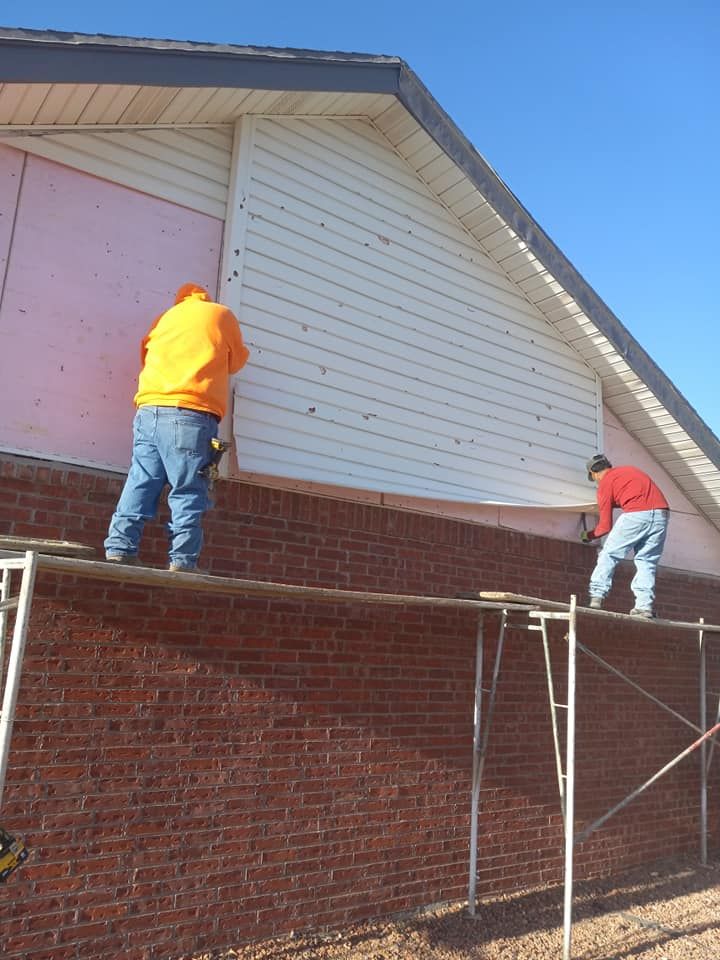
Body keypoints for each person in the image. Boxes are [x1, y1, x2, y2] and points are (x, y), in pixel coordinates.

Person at [104, 283, 249, 572]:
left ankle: (120, 548)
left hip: (148, 409)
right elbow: (237, 361)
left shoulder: (165, 317)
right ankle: (183, 559)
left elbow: (145, 354)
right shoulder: (221, 315)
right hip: (191, 412)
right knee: (188, 488)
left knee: (141, 481)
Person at [580, 454, 669, 618]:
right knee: (646, 561)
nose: (596, 482)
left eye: (594, 478)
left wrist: (589, 535)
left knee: (609, 554)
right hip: (662, 515)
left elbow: (605, 526)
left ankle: (596, 597)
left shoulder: (605, 483)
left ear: (594, 472)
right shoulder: (630, 470)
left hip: (636, 514)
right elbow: (633, 495)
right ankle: (644, 607)